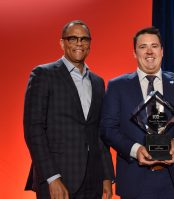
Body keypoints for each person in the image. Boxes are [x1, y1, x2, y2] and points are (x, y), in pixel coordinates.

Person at [100, 27, 174, 199]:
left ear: (162, 51)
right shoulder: (117, 86)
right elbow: (108, 129)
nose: (149, 51)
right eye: (143, 46)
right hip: (135, 180)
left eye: (154, 46)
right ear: (134, 52)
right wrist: (135, 149)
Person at [24, 20, 114, 199]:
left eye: (84, 39)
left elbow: (98, 132)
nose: (79, 43)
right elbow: (34, 129)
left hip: (93, 178)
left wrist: (106, 175)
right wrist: (52, 178)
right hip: (59, 177)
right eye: (73, 38)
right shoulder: (43, 74)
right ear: (62, 43)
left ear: (90, 44)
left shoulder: (97, 82)